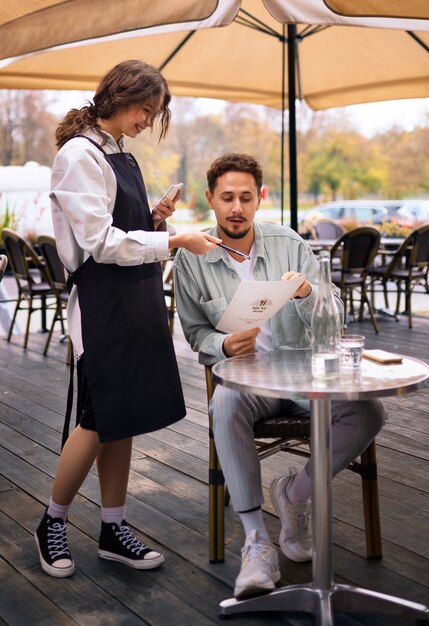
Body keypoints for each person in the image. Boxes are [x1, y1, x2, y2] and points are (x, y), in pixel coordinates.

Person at [34, 60, 221, 578]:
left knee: (125, 417)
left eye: (154, 113)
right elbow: (97, 242)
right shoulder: (79, 155)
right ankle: (52, 520)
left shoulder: (118, 151)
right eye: (146, 108)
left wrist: (154, 220)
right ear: (120, 96)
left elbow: (120, 228)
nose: (147, 120)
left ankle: (112, 526)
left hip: (136, 301)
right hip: (101, 306)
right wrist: (173, 240)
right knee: (97, 420)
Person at [173, 153, 386, 599]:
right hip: (248, 383)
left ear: (260, 199)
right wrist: (224, 345)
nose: (236, 207)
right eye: (227, 197)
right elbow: (195, 332)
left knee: (369, 412)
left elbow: (336, 311)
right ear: (211, 200)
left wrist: (309, 292)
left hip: (303, 375)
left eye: (246, 197)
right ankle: (256, 543)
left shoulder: (289, 243)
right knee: (224, 402)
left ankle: (294, 495)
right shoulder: (193, 259)